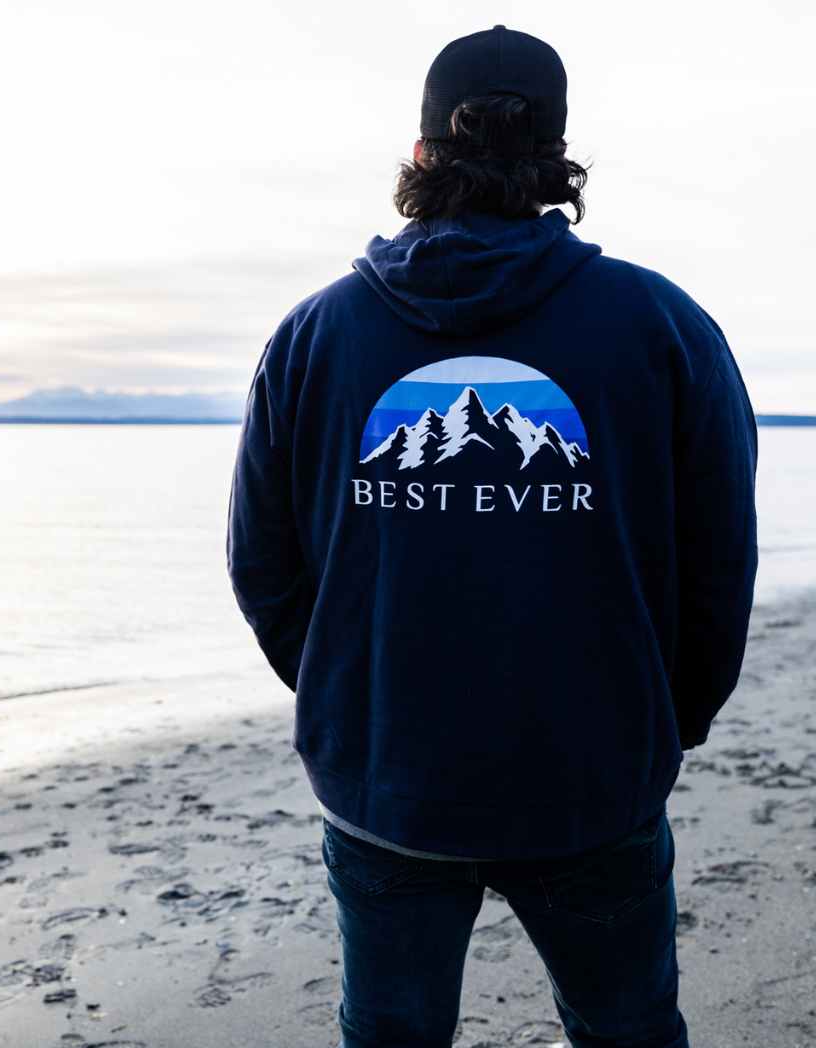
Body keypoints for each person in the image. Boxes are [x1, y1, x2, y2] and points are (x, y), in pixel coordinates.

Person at [226, 23, 758, 1048]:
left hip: (388, 786)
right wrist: (662, 720)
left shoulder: (314, 335)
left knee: (389, 1034)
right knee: (628, 1028)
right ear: (556, 161)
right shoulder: (661, 326)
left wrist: (356, 697)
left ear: (421, 156)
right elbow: (718, 567)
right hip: (591, 778)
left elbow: (262, 565)